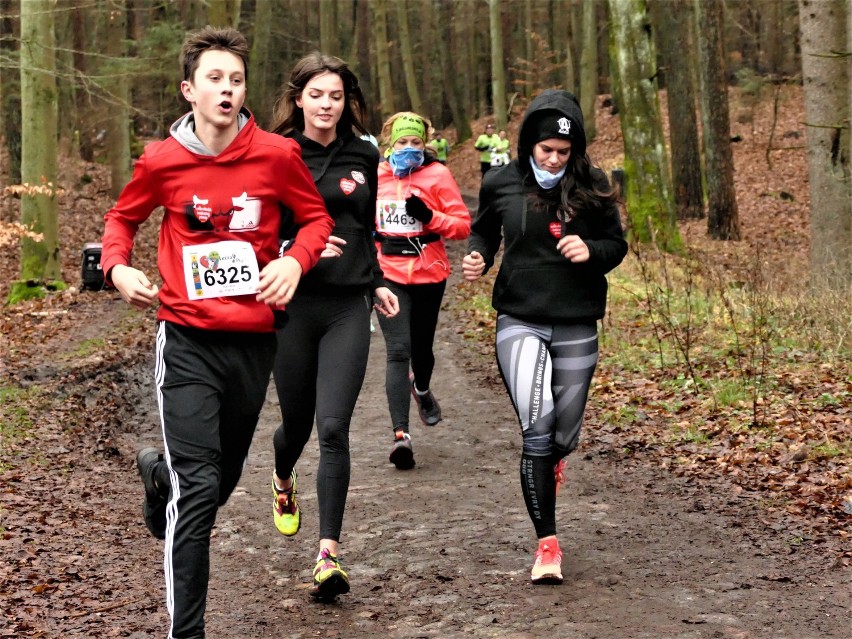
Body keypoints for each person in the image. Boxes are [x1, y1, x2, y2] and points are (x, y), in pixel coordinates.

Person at [101, 27, 333, 638]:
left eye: (235, 80)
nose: (227, 89)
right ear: (189, 90)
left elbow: (314, 221)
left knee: (219, 483)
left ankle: (160, 481)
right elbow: (121, 220)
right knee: (200, 487)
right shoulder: (162, 161)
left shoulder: (278, 157)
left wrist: (293, 260)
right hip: (185, 338)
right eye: (214, 79)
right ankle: (188, 632)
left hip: (254, 342)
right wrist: (118, 267)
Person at [462, 89, 627, 585]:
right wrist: (478, 256)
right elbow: (483, 232)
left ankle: (551, 462)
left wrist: (591, 250)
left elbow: (615, 245)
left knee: (563, 433)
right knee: (537, 427)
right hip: (520, 316)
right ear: (529, 143)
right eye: (545, 150)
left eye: (563, 151)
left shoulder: (593, 185)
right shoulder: (501, 181)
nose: (554, 159)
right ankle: (548, 546)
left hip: (576, 317)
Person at [266, 52, 399, 600]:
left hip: (348, 306)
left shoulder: (364, 153)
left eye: (336, 96)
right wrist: (297, 252)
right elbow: (261, 232)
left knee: (334, 427)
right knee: (295, 425)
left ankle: (328, 556)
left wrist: (378, 280)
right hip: (294, 304)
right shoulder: (276, 153)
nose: (326, 105)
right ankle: (281, 479)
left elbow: (366, 228)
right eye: (316, 95)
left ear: (348, 101)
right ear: (298, 98)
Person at [375, 112, 471, 469]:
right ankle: (401, 435)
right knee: (398, 351)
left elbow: (462, 227)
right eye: (402, 142)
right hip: (388, 274)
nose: (410, 149)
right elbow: (364, 225)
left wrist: (430, 216)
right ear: (390, 143)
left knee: (422, 353)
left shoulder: (438, 175)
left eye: (416, 143)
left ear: (426, 144)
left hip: (430, 273)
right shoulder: (377, 175)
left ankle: (422, 388)